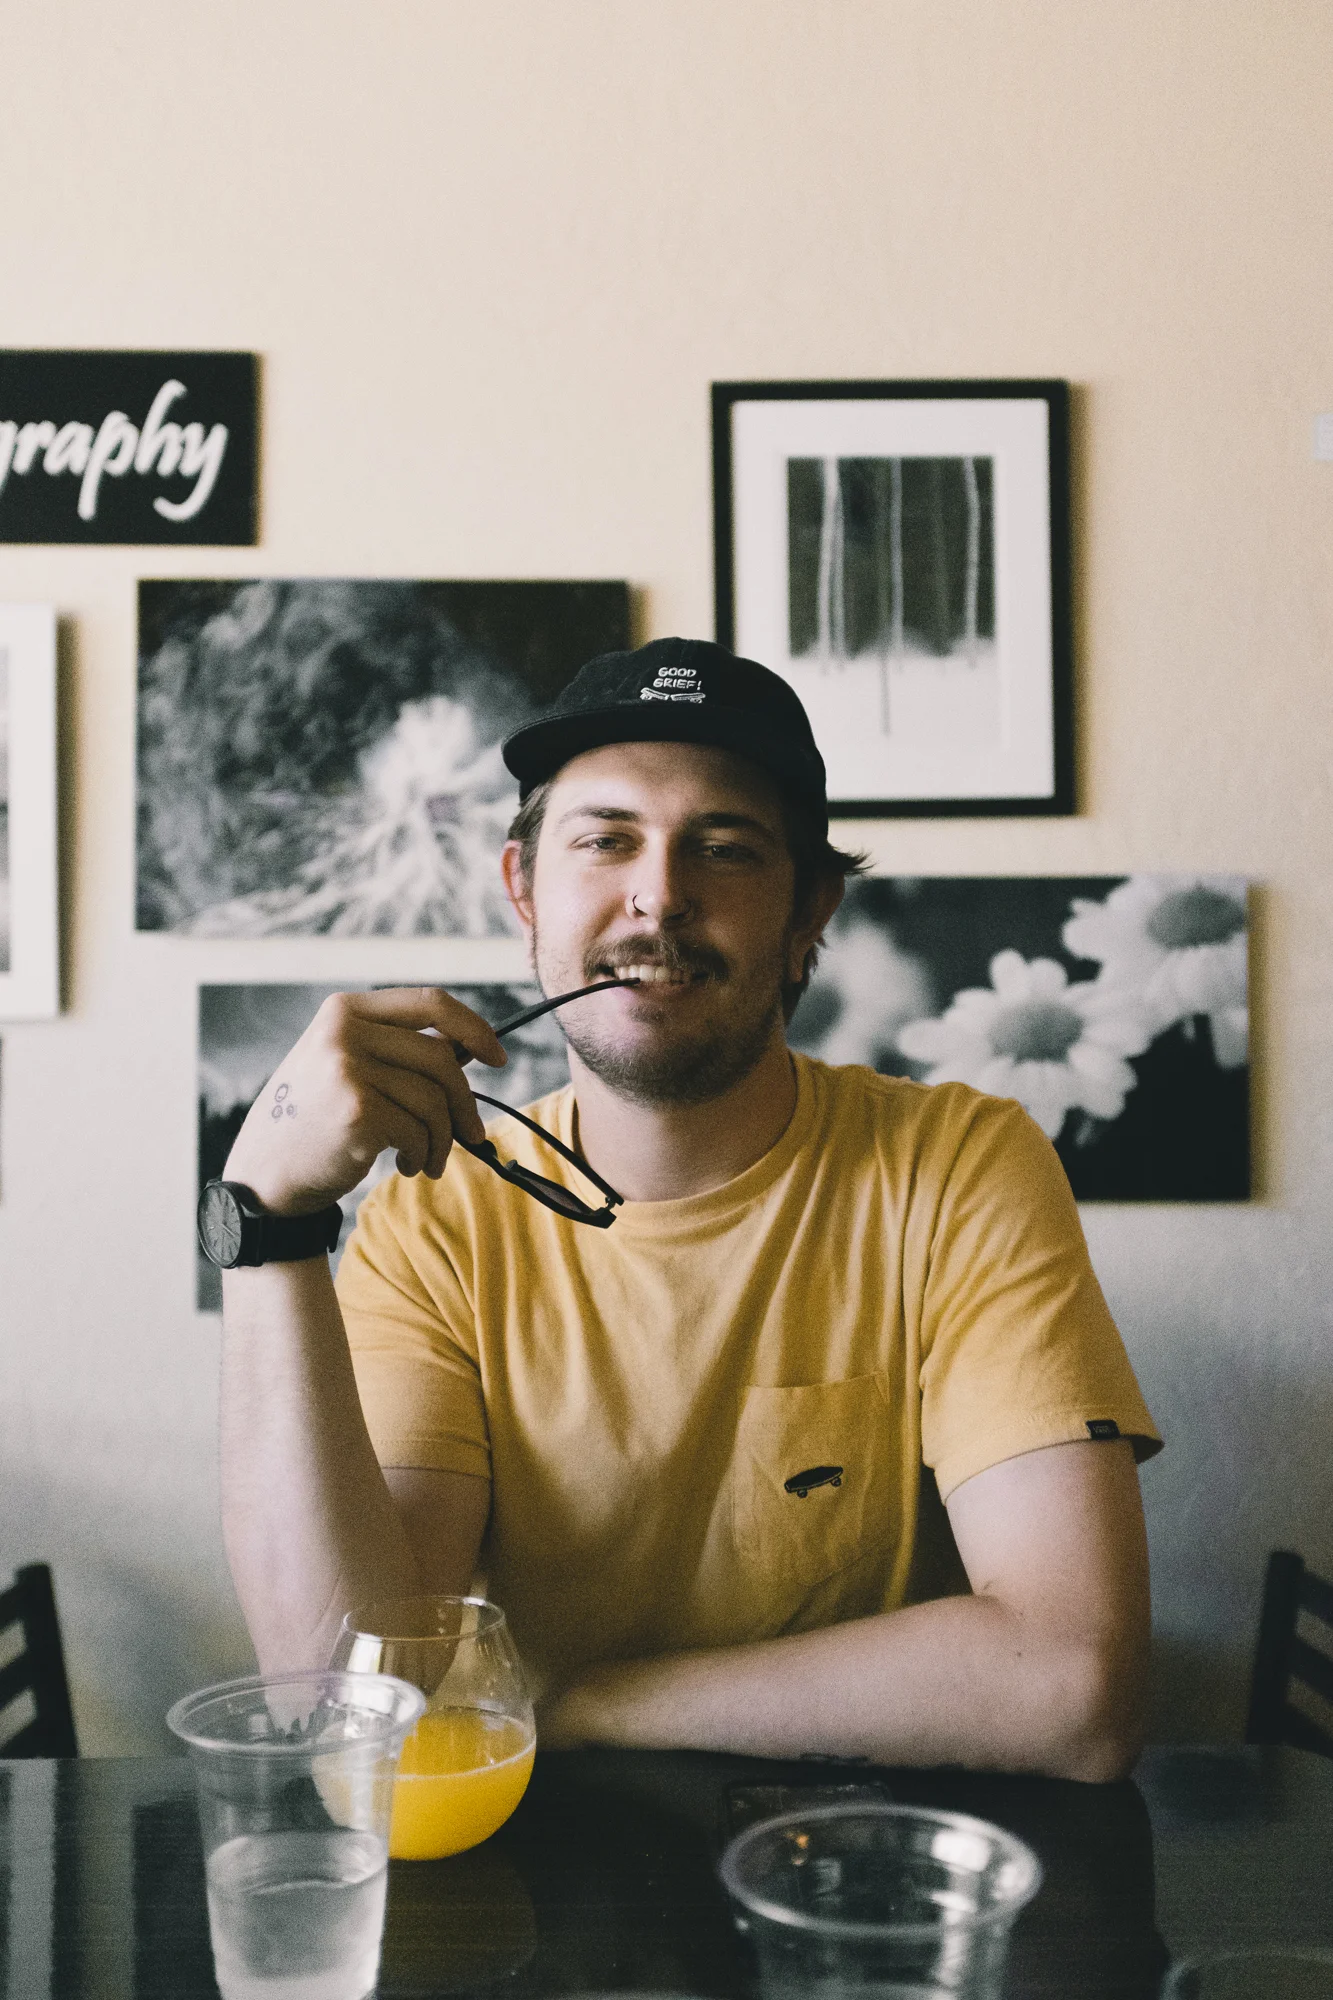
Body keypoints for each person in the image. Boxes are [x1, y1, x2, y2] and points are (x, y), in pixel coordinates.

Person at [214, 637, 1160, 1781]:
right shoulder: (436, 1218)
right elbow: (349, 1697)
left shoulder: (957, 1165)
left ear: (808, 911)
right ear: (524, 889)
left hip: (869, 1854)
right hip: (550, 1871)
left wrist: (596, 1703)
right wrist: (268, 1224)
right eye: (605, 839)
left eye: (723, 846)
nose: (659, 893)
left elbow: (1074, 1687)